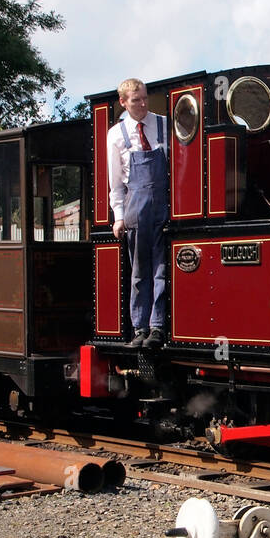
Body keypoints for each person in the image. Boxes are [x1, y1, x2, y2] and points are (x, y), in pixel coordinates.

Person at [107, 78, 169, 347]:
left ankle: (158, 326)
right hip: (135, 203)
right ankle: (139, 327)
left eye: (144, 98)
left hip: (163, 203)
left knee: (161, 268)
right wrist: (118, 216)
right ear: (123, 102)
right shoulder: (115, 135)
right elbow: (116, 182)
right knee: (140, 270)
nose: (143, 104)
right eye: (136, 100)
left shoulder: (163, 123)